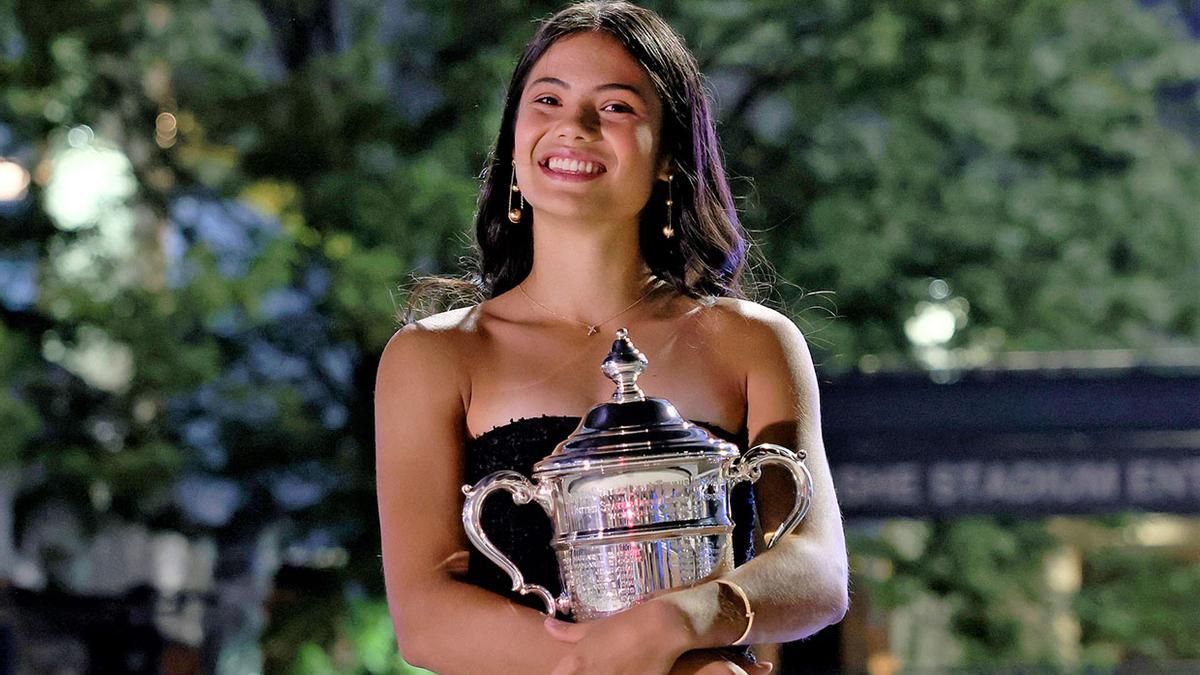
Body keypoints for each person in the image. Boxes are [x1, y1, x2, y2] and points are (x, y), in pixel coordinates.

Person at [375, 2, 848, 673]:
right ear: (514, 139)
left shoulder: (755, 342)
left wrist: (678, 618)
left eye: (617, 107)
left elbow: (818, 571)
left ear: (668, 157)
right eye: (548, 99)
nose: (575, 125)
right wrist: (640, 658)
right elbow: (424, 618)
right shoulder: (434, 356)